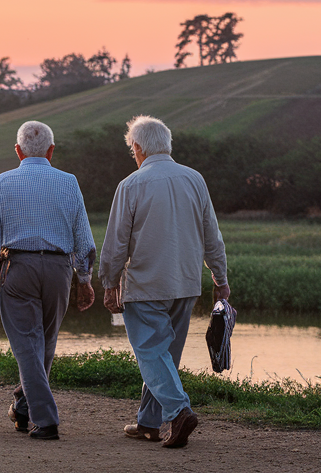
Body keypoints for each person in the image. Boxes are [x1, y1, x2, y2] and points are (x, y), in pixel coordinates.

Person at [101, 115, 230, 449]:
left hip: (145, 285)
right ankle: (148, 423)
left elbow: (116, 243)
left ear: (139, 147)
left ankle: (179, 411)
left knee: (151, 354)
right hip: (185, 284)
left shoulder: (131, 185)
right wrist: (220, 277)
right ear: (167, 145)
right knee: (165, 356)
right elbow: (211, 234)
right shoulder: (194, 179)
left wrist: (109, 283)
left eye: (133, 149)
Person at [0, 121, 97, 441]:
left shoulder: (0, 183)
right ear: (51, 151)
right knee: (43, 344)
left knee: (29, 347)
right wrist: (84, 279)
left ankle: (46, 419)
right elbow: (84, 239)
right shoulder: (69, 183)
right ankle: (24, 406)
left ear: (17, 151)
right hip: (59, 271)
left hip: (18, 268)